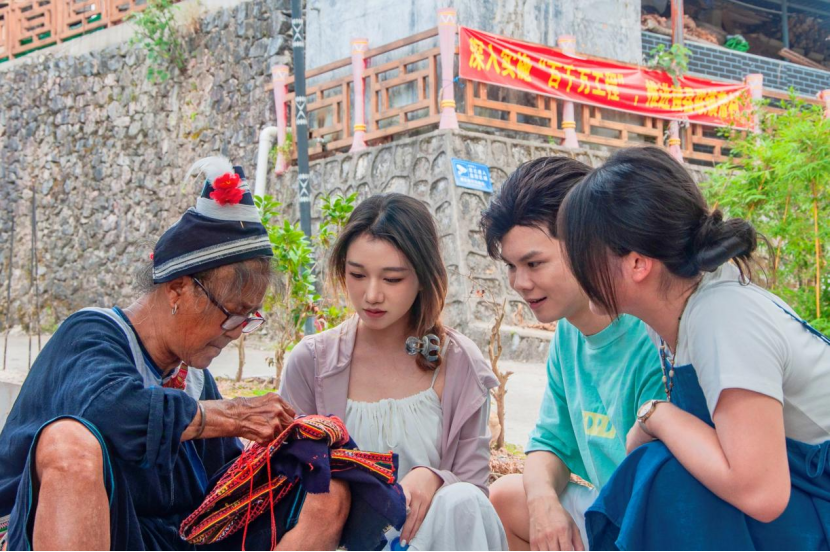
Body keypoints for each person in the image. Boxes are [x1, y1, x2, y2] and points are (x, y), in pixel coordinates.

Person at [0, 157, 350, 551]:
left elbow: (222, 483)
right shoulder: (90, 336)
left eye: (248, 318)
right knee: (68, 442)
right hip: (50, 532)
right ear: (178, 289)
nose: (237, 331)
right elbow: (114, 412)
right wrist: (234, 415)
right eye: (232, 313)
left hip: (165, 540)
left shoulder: (195, 379)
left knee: (325, 490)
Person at [557, 146, 830, 550]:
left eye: (581, 254)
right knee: (658, 468)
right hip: (802, 498)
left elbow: (762, 493)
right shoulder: (678, 312)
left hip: (816, 499)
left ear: (637, 264)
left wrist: (658, 414)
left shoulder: (722, 316)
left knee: (665, 476)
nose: (575, 269)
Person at [280, 193, 508, 551]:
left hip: (432, 542)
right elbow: (286, 480)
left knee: (462, 500)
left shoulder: (460, 362)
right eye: (357, 275)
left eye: (392, 279)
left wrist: (435, 478)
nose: (372, 295)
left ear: (423, 278)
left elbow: (473, 495)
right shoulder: (311, 362)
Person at [479, 157, 665, 550]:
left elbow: (665, 484)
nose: (520, 282)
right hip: (612, 515)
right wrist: (542, 502)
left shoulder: (652, 333)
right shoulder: (569, 332)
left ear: (587, 241)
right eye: (512, 266)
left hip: (659, 524)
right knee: (509, 499)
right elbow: (551, 443)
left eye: (534, 263)